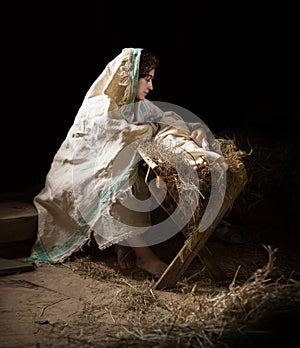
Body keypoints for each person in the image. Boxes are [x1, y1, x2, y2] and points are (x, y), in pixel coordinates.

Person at [28, 48, 224, 278]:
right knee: (114, 185)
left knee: (137, 174)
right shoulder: (100, 105)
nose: (151, 87)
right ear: (130, 78)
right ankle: (145, 257)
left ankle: (124, 243)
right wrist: (152, 129)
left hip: (109, 167)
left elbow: (167, 118)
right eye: (147, 79)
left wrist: (195, 128)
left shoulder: (141, 105)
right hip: (79, 172)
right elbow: (115, 140)